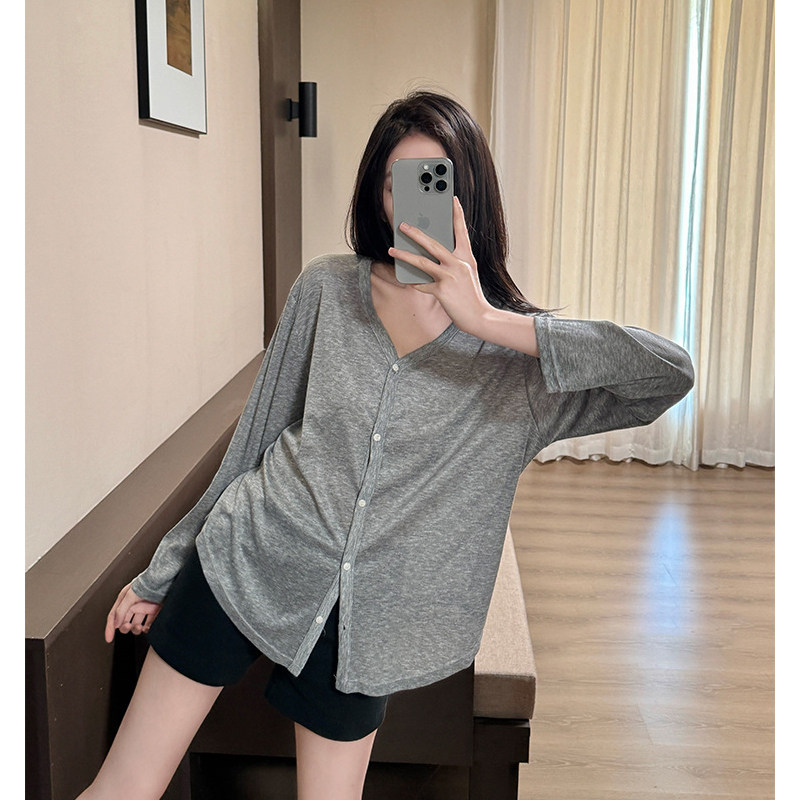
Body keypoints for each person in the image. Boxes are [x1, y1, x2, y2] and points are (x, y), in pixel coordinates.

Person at [76, 90, 694, 800]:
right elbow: (253, 443)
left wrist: (489, 321)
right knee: (123, 788)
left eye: (435, 183)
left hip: (369, 629)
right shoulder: (325, 290)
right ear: (378, 192)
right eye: (399, 183)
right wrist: (163, 571)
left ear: (470, 198)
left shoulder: (516, 368)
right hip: (248, 556)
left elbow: (668, 374)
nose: (413, 204)